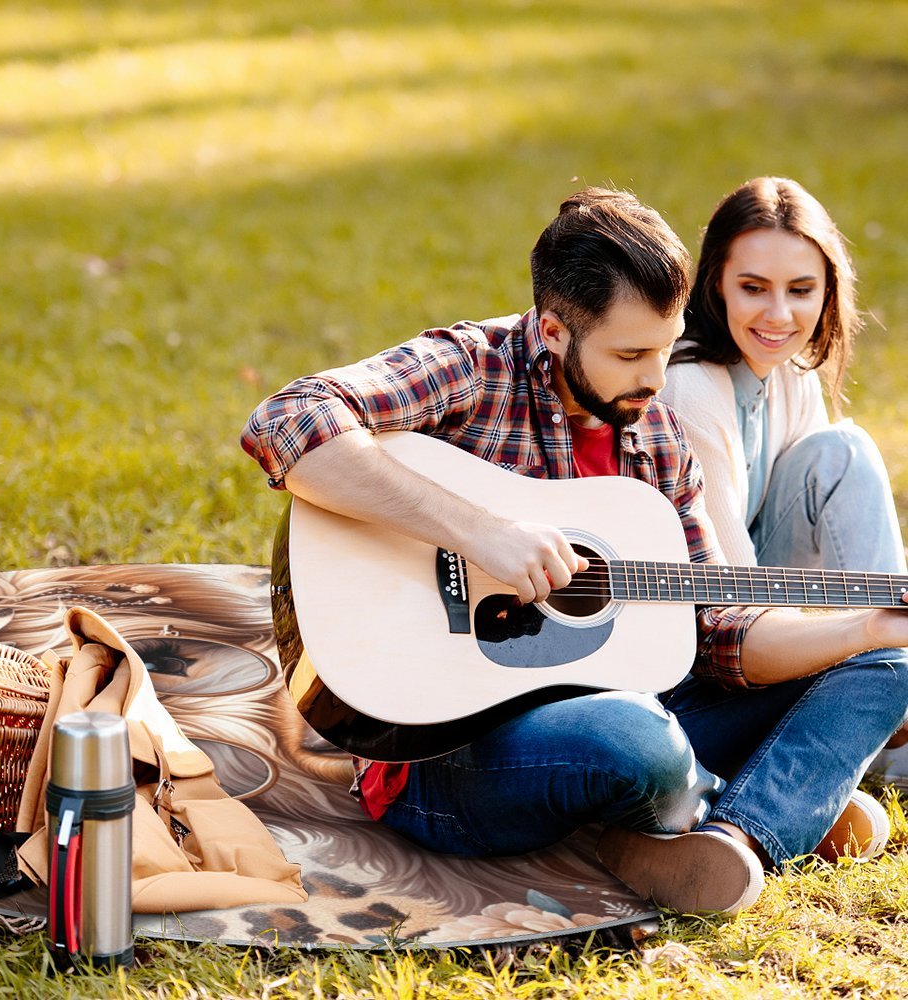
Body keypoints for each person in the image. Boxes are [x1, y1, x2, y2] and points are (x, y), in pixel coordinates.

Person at [241, 187, 908, 916]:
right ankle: (761, 797)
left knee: (888, 665)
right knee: (636, 742)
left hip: (636, 708)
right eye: (630, 354)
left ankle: (738, 837)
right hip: (445, 754)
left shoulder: (656, 436)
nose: (656, 380)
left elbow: (717, 629)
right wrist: (477, 531)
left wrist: (864, 628)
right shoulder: (472, 367)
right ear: (554, 330)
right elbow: (288, 419)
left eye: (665, 346)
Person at [661, 176, 908, 792]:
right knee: (845, 451)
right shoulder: (691, 385)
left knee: (840, 452)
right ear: (715, 281)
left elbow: (829, 530)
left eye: (801, 290)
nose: (779, 315)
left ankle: (884, 697)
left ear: (828, 291)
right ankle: (885, 705)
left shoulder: (789, 370)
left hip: (769, 607)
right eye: (753, 288)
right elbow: (732, 601)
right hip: (704, 646)